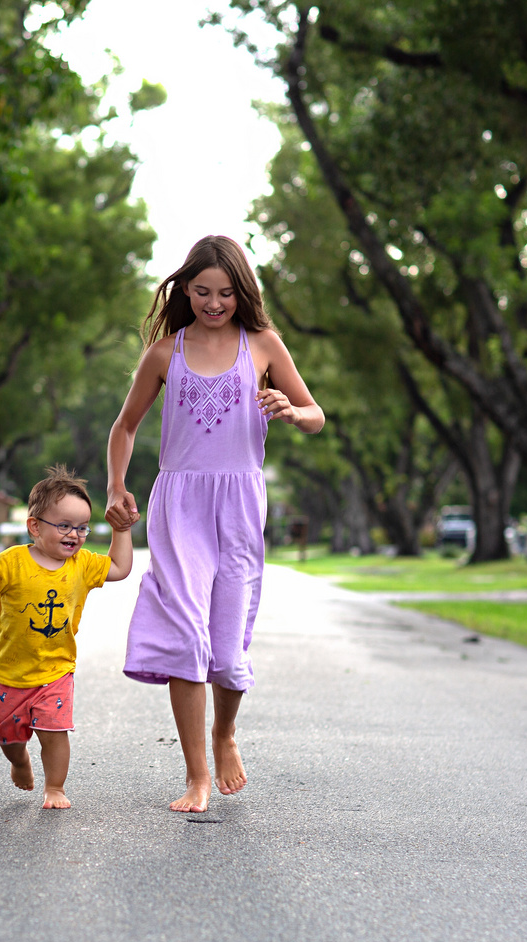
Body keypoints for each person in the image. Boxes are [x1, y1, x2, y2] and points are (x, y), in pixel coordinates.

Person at [104, 236, 324, 813]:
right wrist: (116, 486)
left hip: (241, 504)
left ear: (241, 292)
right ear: (185, 290)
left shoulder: (264, 345)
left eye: (226, 292)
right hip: (179, 504)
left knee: (227, 647)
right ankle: (196, 774)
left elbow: (315, 415)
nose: (214, 302)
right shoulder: (164, 354)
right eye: (202, 291)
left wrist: (291, 410)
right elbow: (124, 428)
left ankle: (225, 734)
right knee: (186, 635)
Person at [0, 465, 134, 809]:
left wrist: (122, 529)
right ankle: (19, 761)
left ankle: (55, 787)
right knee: (8, 738)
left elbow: (120, 568)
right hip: (8, 674)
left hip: (56, 671)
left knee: (55, 733)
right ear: (35, 526)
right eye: (65, 525)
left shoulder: (82, 564)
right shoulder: (12, 562)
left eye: (82, 527)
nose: (75, 534)